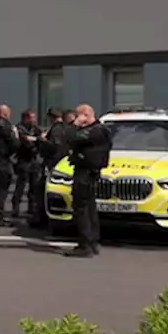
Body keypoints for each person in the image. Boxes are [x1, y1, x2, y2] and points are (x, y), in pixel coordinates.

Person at [65, 104, 113, 258]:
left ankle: (85, 245)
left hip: (84, 172)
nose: (77, 119)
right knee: (90, 207)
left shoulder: (94, 131)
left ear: (85, 115)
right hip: (91, 172)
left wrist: (75, 125)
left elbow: (70, 137)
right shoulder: (101, 129)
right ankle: (92, 242)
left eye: (79, 115)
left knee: (81, 208)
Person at [12, 109, 45, 227]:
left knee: (34, 186)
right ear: (25, 118)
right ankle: (15, 208)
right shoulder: (19, 128)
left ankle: (31, 208)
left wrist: (36, 139)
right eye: (31, 118)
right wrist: (35, 140)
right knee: (20, 186)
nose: (34, 120)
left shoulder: (35, 128)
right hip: (23, 160)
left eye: (34, 118)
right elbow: (26, 142)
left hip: (34, 161)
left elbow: (42, 140)